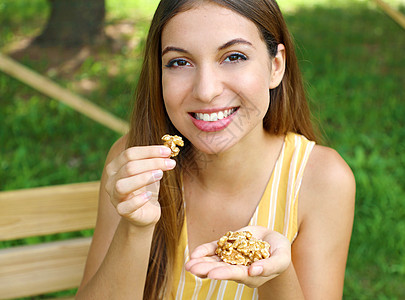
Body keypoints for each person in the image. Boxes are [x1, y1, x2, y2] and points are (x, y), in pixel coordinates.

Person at [76, 0, 355, 299]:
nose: (206, 91)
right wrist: (135, 227)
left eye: (234, 56)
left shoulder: (322, 180)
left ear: (276, 66)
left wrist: (274, 274)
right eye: (180, 62)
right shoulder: (137, 163)